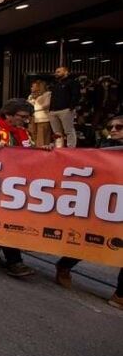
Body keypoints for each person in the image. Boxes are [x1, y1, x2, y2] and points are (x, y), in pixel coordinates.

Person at [55, 114, 123, 309]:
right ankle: (65, 265)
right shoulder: (103, 148)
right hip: (104, 204)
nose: (113, 130)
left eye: (119, 127)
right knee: (93, 240)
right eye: (110, 127)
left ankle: (120, 294)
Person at [0, 98, 39, 277]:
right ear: (8, 115)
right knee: (7, 222)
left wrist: (45, 151)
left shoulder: (24, 134)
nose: (25, 120)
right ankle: (15, 262)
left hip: (17, 187)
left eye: (28, 117)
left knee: (10, 221)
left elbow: (31, 156)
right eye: (22, 116)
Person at [49, 66, 79, 148]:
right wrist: (50, 110)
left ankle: (71, 148)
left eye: (59, 72)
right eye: (56, 72)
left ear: (66, 72)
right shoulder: (55, 84)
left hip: (65, 110)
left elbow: (76, 95)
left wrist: (71, 107)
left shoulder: (72, 82)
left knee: (68, 130)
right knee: (57, 132)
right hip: (53, 110)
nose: (56, 73)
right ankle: (59, 147)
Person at [28, 79, 52, 148]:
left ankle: (42, 152)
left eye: (33, 86)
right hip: (33, 118)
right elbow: (28, 105)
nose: (32, 88)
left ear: (39, 86)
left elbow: (47, 105)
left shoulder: (47, 94)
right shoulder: (31, 96)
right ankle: (35, 150)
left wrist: (34, 108)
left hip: (43, 119)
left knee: (42, 137)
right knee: (33, 136)